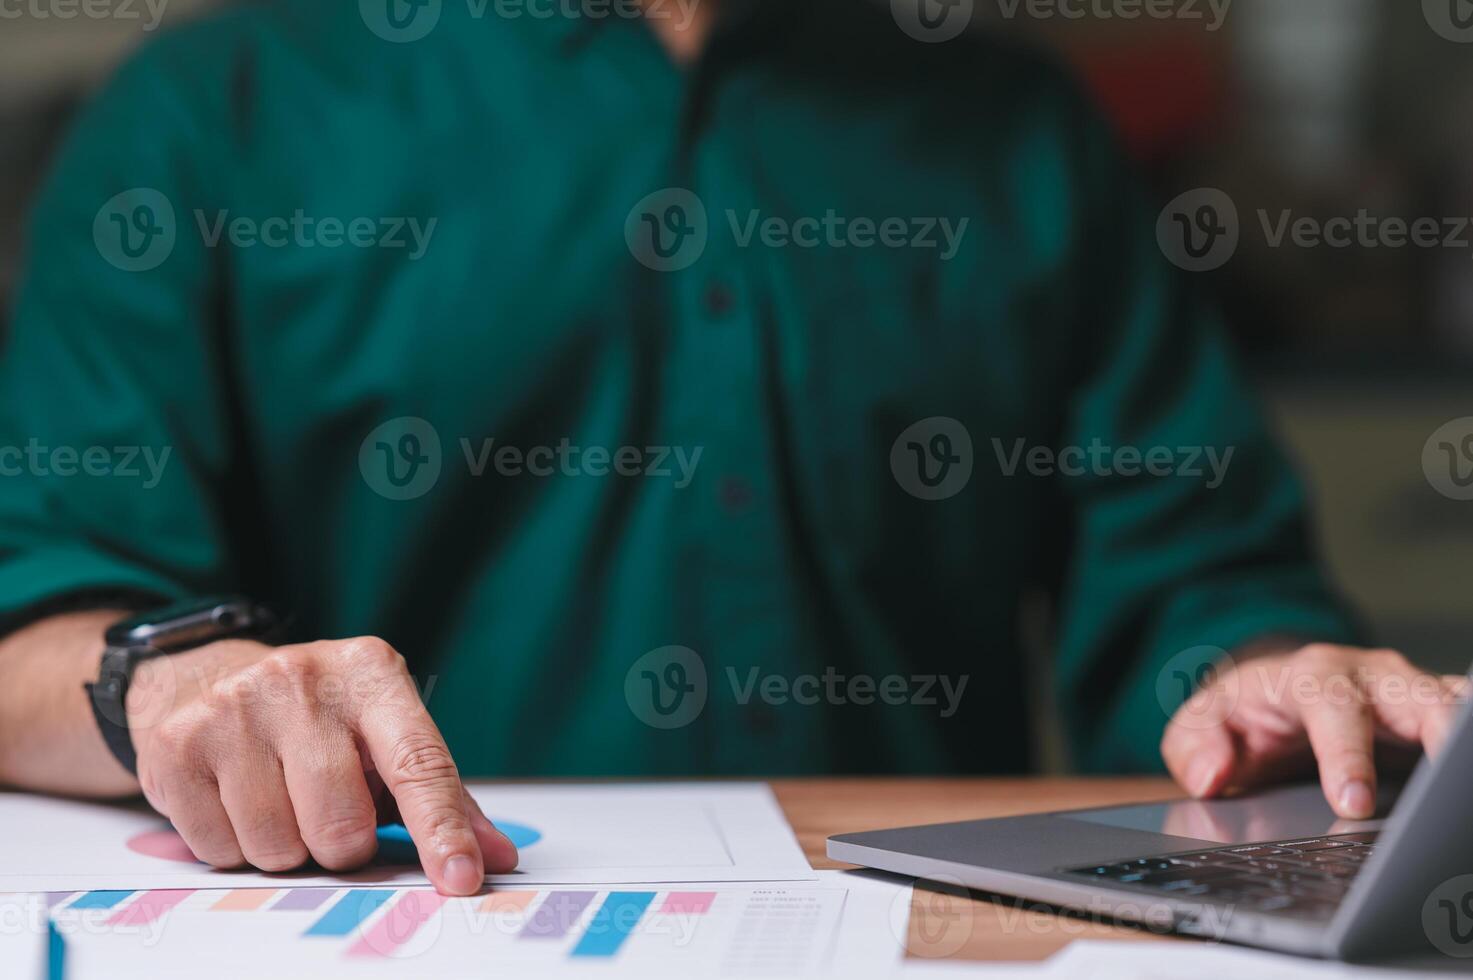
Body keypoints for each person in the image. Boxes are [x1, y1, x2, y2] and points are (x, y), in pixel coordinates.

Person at [0, 0, 1461, 898]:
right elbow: (29, 633)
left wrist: (1263, 675)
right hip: (394, 925)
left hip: (922, 943)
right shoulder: (203, 119)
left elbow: (1197, 576)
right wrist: (172, 684)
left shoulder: (1010, 125)